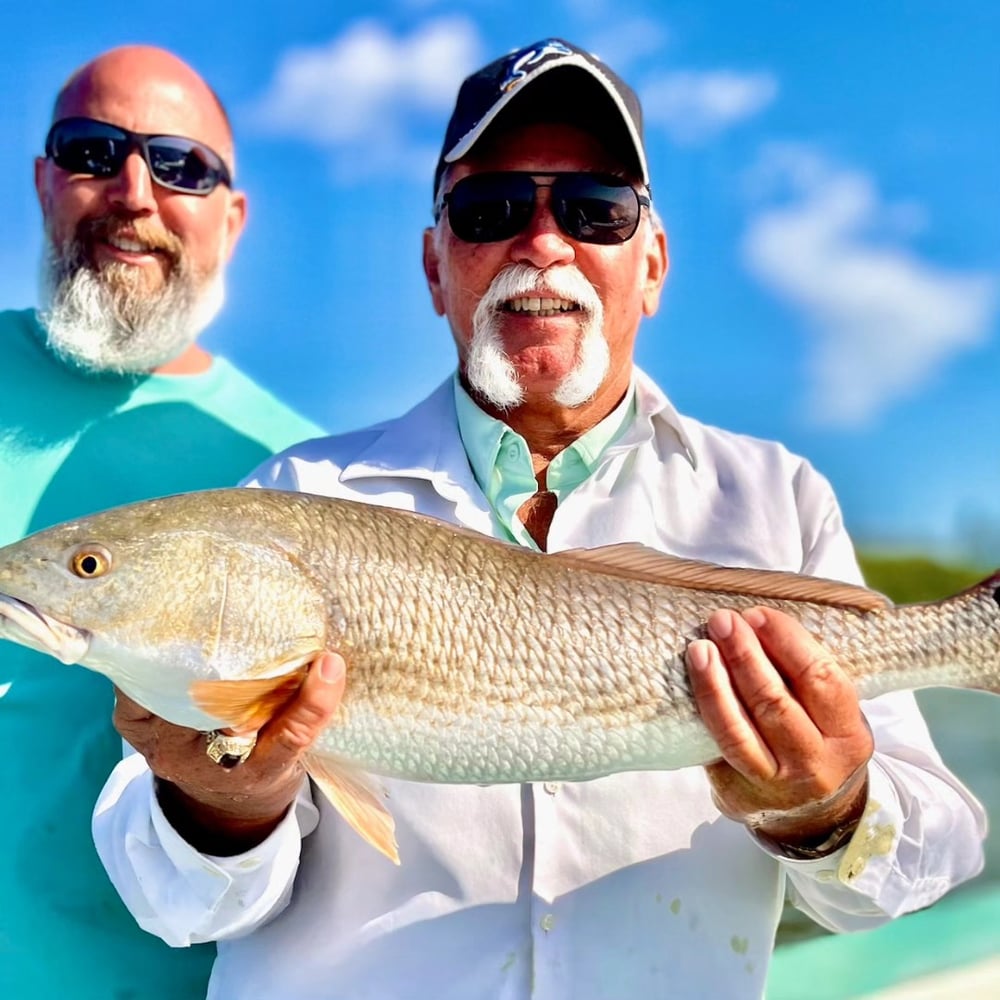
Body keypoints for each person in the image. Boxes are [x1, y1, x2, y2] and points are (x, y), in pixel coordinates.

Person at [94, 39, 986, 999]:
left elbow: (923, 859)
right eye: (493, 210)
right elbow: (177, 908)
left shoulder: (782, 498)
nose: (544, 243)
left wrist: (828, 810)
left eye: (596, 211)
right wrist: (222, 809)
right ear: (437, 266)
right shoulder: (290, 498)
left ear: (651, 267)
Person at [0, 45, 323, 1000]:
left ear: (234, 215)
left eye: (182, 165)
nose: (134, 191)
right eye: (94, 149)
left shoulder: (311, 475)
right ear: (43, 180)